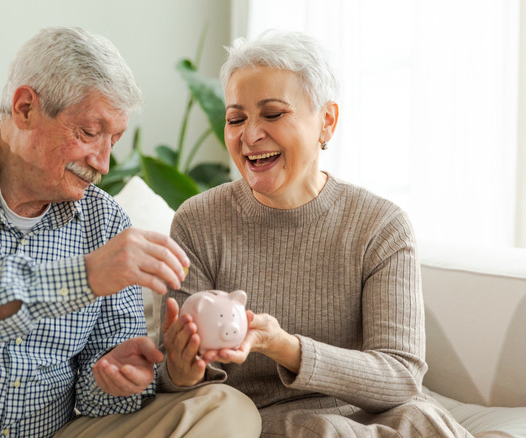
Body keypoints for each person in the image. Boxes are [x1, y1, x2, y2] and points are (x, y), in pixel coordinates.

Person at [0, 27, 260, 438]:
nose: (104, 163)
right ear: (25, 109)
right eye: (89, 133)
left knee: (227, 410)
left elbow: (102, 399)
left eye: (114, 139)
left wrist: (119, 378)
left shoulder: (105, 222)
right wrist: (83, 277)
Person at [159, 29, 481, 437]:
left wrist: (283, 346)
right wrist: (180, 368)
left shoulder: (381, 225)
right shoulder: (197, 223)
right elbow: (180, 382)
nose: (249, 135)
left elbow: (401, 376)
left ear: (326, 122)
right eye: (236, 118)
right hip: (270, 420)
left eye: (273, 114)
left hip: (383, 415)